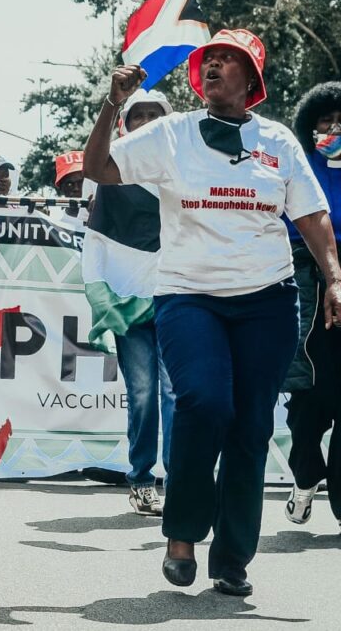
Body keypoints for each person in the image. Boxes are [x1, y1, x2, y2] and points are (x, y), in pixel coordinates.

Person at [82, 29, 341, 597]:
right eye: (209, 59)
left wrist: (334, 278)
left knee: (251, 427)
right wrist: (111, 104)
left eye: (229, 60)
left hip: (267, 302)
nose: (215, 66)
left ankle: (232, 559)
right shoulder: (168, 135)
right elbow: (97, 168)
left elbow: (312, 216)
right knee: (203, 402)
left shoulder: (278, 142)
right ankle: (181, 533)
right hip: (188, 296)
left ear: (251, 81)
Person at [83, 89, 176, 517]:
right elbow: (96, 242)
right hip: (130, 305)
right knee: (142, 395)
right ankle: (141, 479)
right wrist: (102, 297)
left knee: (178, 394)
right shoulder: (107, 177)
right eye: (136, 115)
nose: (144, 122)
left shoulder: (186, 170)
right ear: (125, 124)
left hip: (179, 300)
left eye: (153, 115)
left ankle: (180, 480)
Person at [281, 81, 341, 531]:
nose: (334, 128)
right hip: (305, 282)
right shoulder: (298, 167)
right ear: (310, 124)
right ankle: (305, 475)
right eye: (326, 120)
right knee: (309, 399)